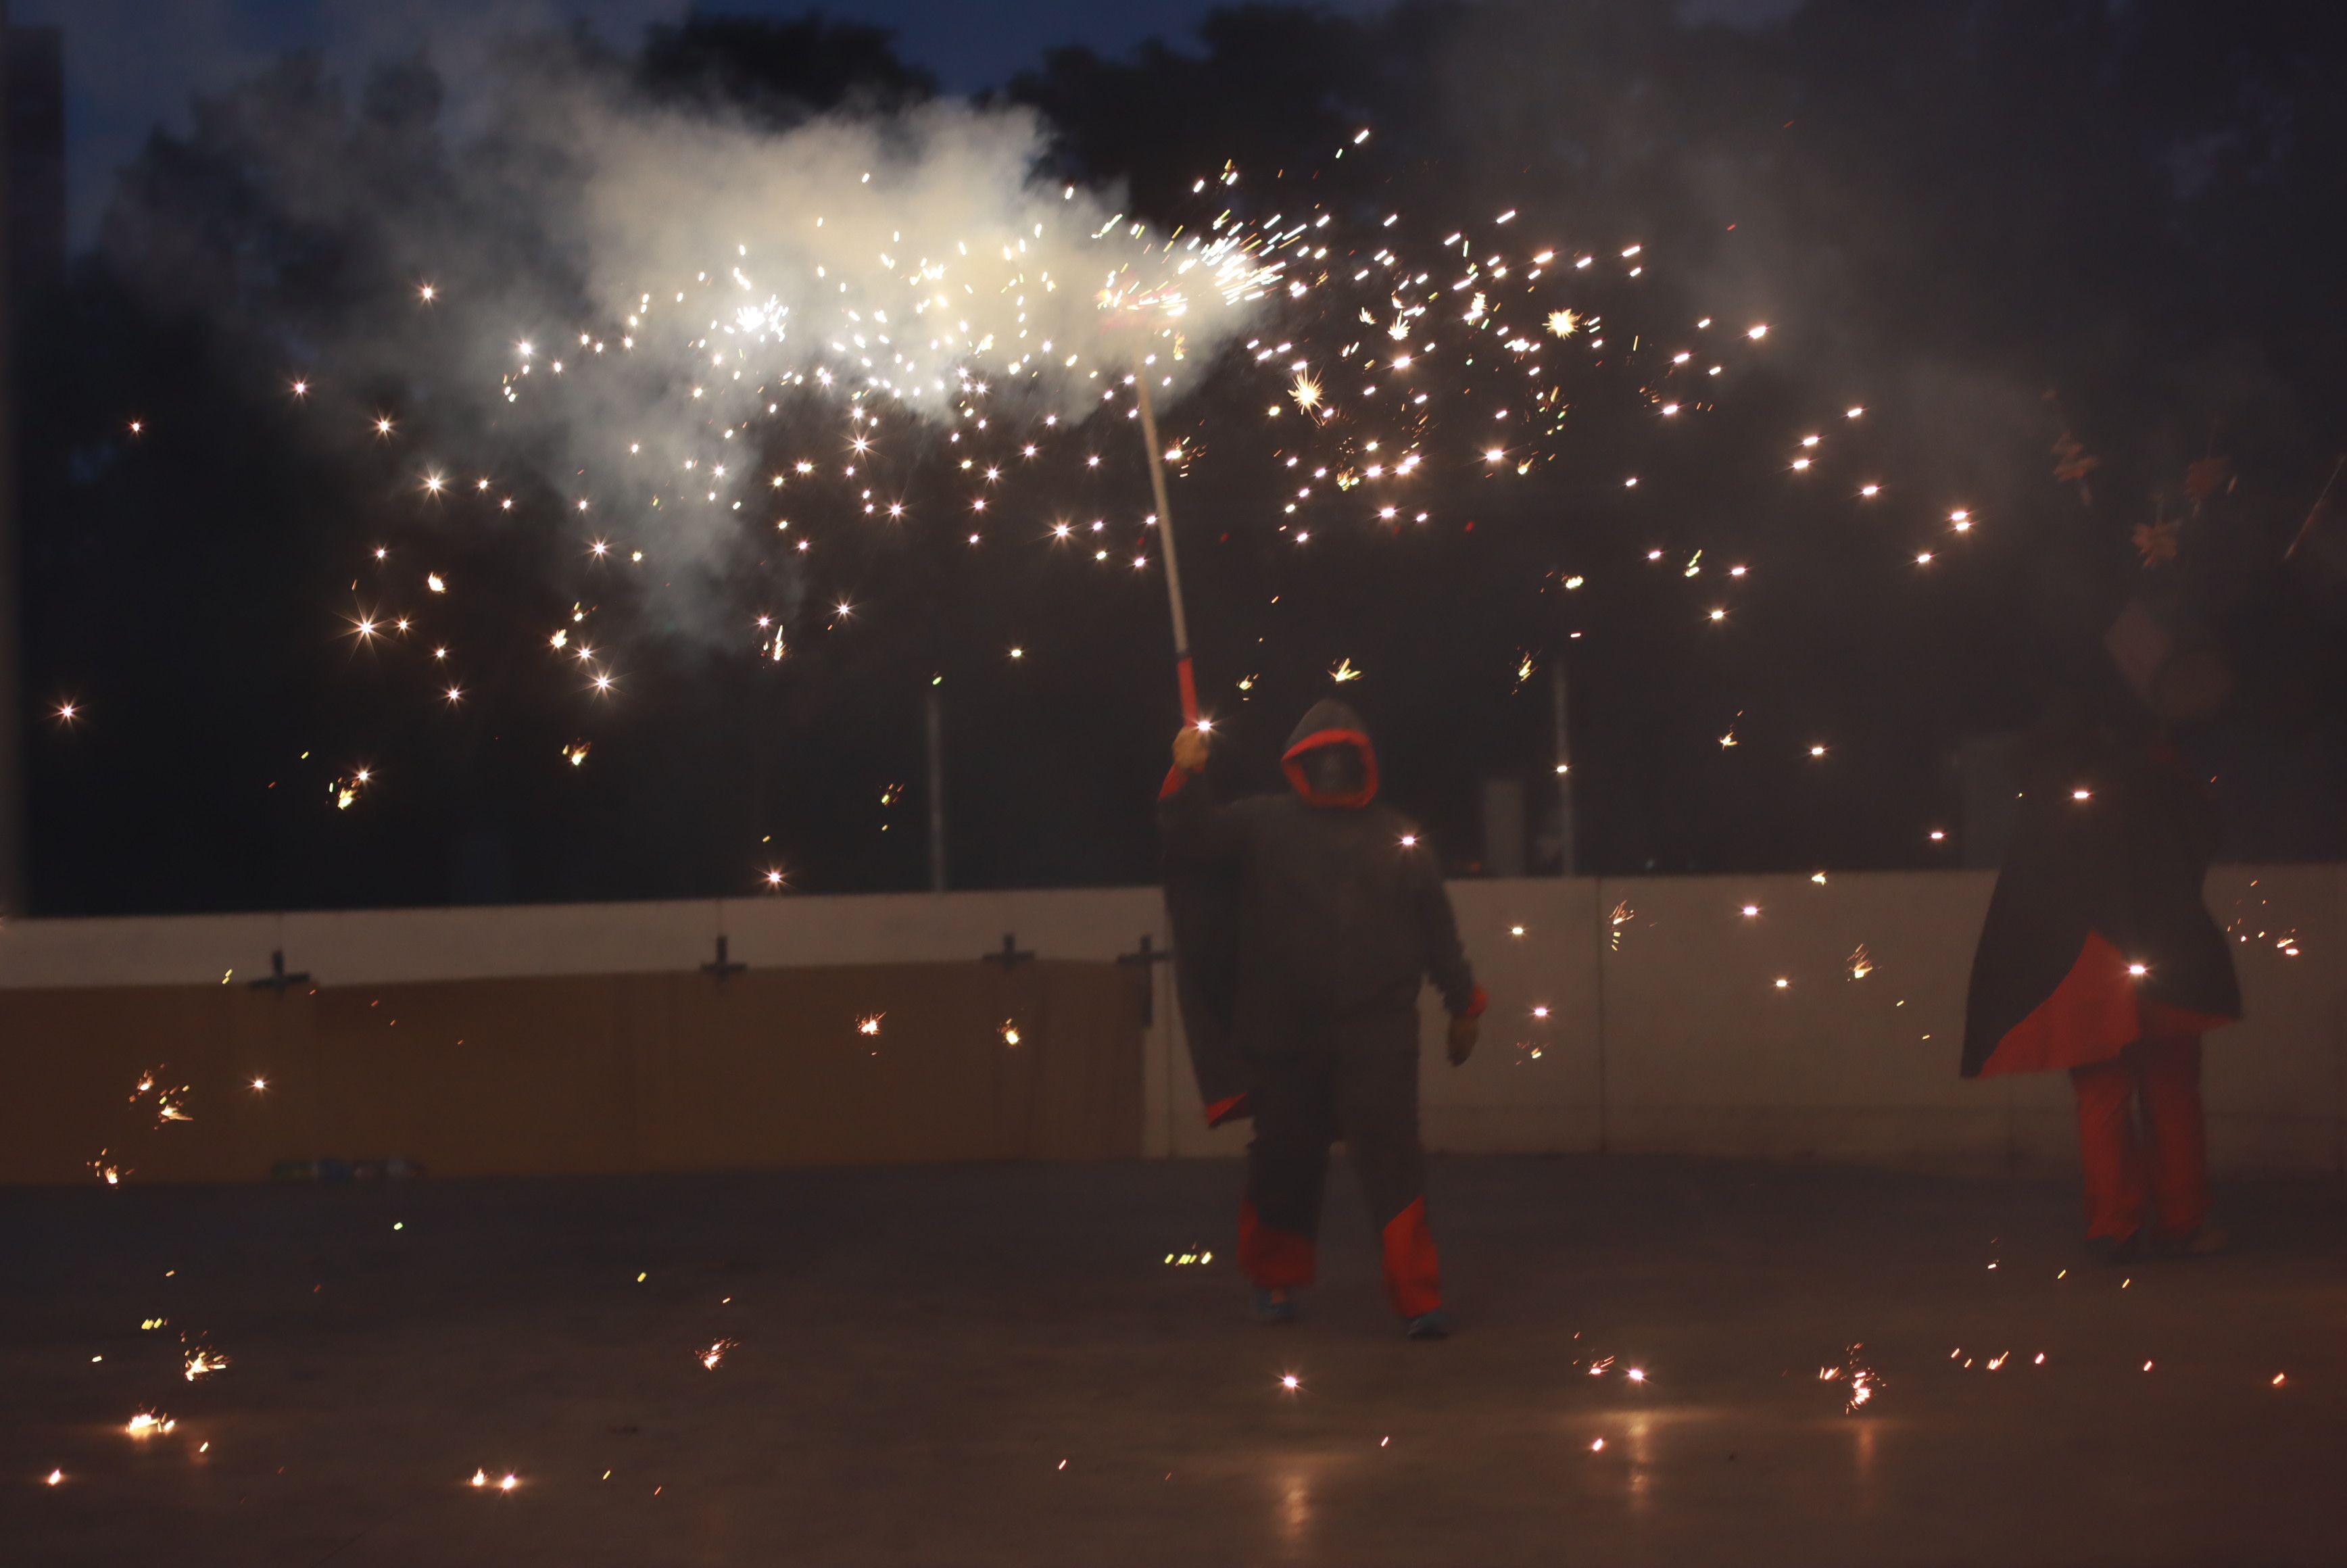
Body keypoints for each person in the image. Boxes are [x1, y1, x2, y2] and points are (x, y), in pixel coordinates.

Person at [1159, 698, 1484, 1338]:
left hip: (1376, 1033)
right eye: (1323, 759)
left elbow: (1435, 927)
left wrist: (1463, 999)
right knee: (1283, 1160)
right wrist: (1185, 775)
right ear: (1301, 764)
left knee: (1392, 1160)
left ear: (1362, 763)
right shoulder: (1261, 825)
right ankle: (1275, 1282)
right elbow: (1191, 837)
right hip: (1285, 1033)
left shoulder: (1397, 835)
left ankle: (1417, 1297)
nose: (1334, 770)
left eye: (1344, 758)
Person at [1961, 674, 2240, 1265]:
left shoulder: (2044, 791)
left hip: (2083, 962)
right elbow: (2202, 833)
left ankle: (2113, 1226)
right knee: (2170, 1088)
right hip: (2162, 951)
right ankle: (2183, 1224)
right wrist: (2166, 755)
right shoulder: (2150, 773)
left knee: (2100, 1094)